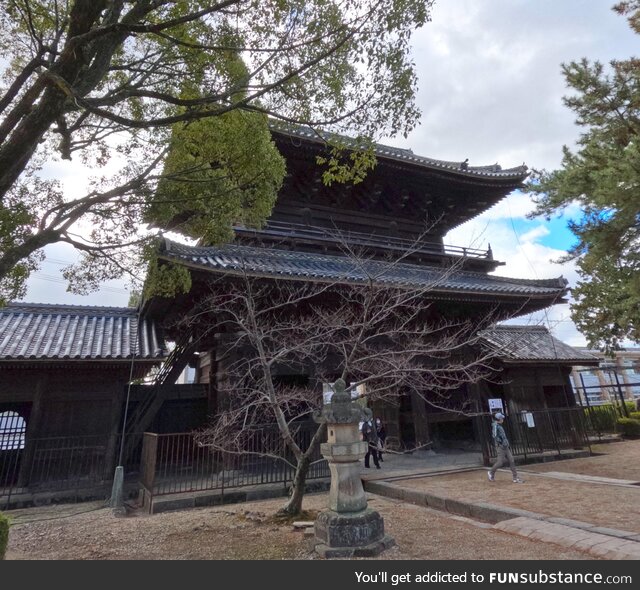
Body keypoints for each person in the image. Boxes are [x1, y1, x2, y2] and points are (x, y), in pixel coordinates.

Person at [487, 412, 524, 483]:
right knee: (500, 462)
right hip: (500, 446)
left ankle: (515, 477)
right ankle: (491, 472)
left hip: (505, 446)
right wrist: (500, 442)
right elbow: (494, 435)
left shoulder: (499, 426)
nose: (503, 419)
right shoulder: (496, 426)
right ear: (499, 419)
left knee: (511, 460)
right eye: (502, 418)